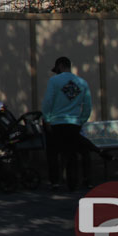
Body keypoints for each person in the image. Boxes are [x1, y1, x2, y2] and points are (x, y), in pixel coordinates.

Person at [42, 56, 93, 190]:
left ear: (60, 65)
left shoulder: (54, 81)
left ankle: (55, 182)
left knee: (53, 153)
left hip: (56, 123)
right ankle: (72, 183)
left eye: (56, 69)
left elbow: (48, 101)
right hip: (73, 123)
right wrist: (81, 120)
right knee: (71, 153)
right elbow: (87, 105)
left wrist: (46, 118)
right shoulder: (82, 83)